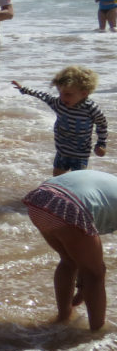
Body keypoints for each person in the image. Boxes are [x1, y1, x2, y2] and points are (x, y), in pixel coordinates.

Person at [22, 169, 117, 331]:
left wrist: (82, 285)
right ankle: (96, 333)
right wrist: (87, 279)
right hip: (70, 207)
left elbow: (83, 246)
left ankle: (63, 317)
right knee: (95, 273)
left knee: (69, 261)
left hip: (40, 201)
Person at [12, 66, 107, 176]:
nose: (62, 97)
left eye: (68, 94)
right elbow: (43, 96)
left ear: (84, 93)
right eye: (60, 93)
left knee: (78, 179)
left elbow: (102, 124)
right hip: (61, 151)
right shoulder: (59, 104)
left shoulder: (91, 109)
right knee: (57, 178)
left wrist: (101, 143)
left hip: (80, 154)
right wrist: (24, 89)